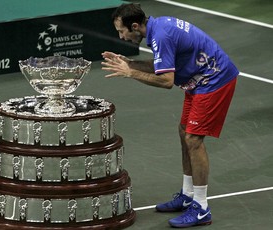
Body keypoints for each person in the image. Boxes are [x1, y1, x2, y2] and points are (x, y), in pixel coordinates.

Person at [101, 3, 239, 228]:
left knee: (194, 140)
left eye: (122, 31)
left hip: (214, 80)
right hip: (197, 81)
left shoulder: (161, 35)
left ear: (135, 26)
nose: (121, 36)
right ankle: (188, 195)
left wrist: (131, 72)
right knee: (184, 131)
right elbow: (162, 65)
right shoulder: (158, 27)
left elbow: (166, 81)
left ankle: (201, 208)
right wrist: (130, 63)